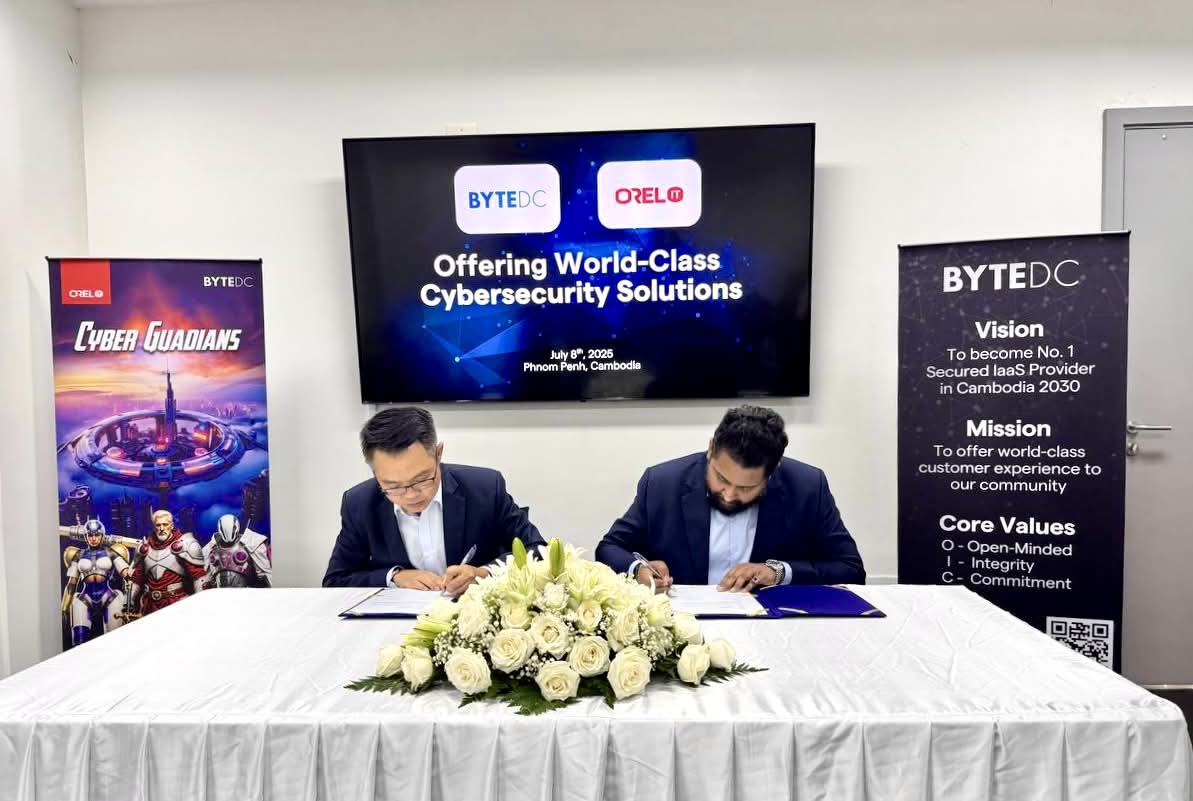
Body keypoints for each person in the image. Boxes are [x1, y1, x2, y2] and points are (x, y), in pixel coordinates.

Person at [596, 405, 864, 591]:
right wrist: (638, 570)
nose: (729, 494)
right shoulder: (662, 482)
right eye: (721, 478)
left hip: (771, 630)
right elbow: (609, 548)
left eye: (747, 487)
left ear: (772, 472)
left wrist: (778, 572)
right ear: (711, 449)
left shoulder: (808, 486)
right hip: (684, 627)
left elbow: (850, 569)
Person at [322, 407, 545, 596]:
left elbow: (538, 551)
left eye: (421, 479)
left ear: (438, 454)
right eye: (393, 486)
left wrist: (484, 574)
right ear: (374, 473)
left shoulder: (484, 488)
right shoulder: (359, 503)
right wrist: (394, 577)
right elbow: (336, 580)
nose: (410, 495)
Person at [128, 509, 206, 616]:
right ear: (154, 527)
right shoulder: (146, 548)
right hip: (149, 606)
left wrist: (200, 604)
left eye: (165, 524)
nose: (161, 528)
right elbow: (137, 578)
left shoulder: (184, 545)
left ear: (172, 525)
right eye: (158, 525)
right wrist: (128, 601)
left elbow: (199, 577)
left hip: (176, 604)